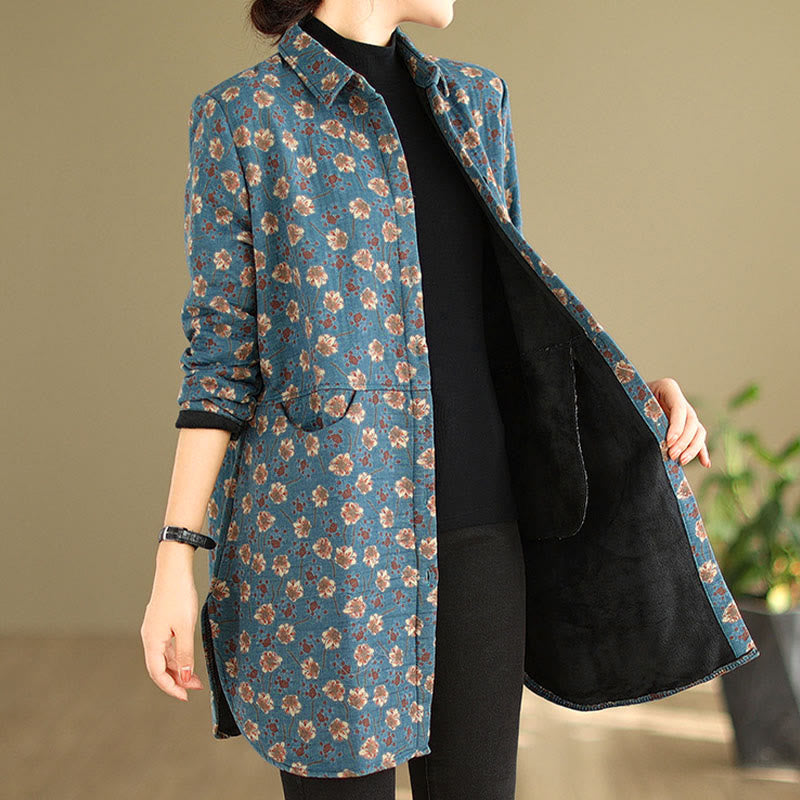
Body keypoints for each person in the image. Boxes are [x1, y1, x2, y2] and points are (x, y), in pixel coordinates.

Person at [141, 2, 724, 799]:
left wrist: (627, 400)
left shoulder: (475, 102)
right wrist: (176, 555)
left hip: (482, 532)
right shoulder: (245, 118)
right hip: (325, 544)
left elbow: (507, 320)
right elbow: (220, 362)